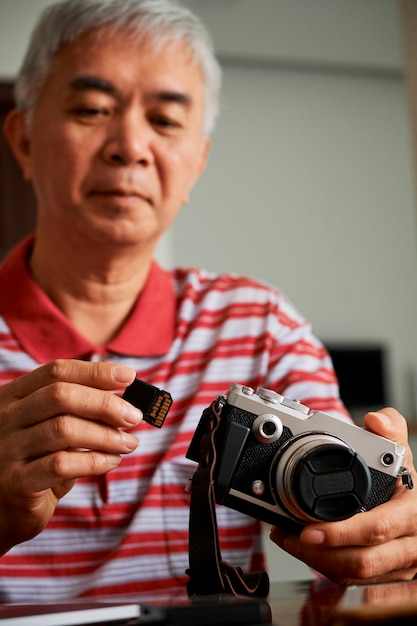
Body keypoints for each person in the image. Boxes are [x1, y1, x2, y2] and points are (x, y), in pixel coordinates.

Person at [0, 0, 416, 603]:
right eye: (92, 109)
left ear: (197, 162)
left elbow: (350, 535)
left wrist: (387, 534)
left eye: (166, 121)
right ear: (24, 140)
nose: (130, 146)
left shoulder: (263, 327)